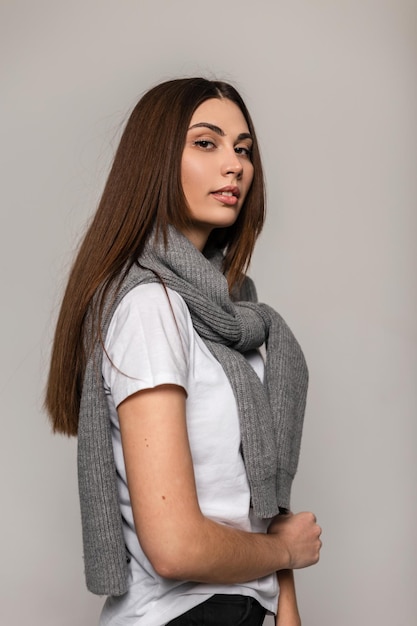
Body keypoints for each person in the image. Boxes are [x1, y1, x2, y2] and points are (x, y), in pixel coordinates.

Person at [45, 77, 322, 626]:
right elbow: (175, 547)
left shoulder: (234, 310)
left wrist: (286, 606)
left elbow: (259, 506)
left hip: (241, 609)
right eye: (206, 143)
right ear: (155, 161)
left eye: (243, 149)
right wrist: (287, 553)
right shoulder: (151, 307)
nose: (235, 165)